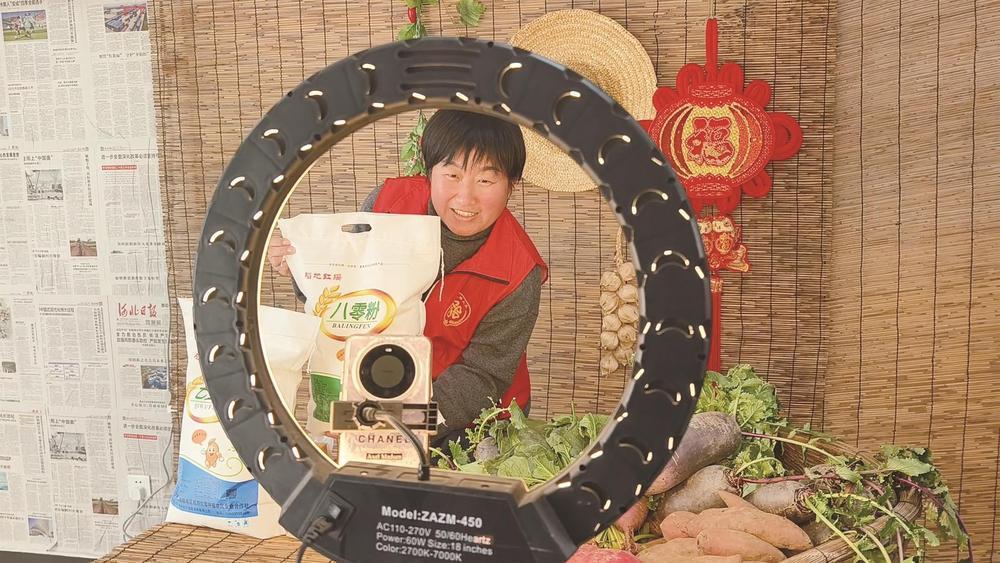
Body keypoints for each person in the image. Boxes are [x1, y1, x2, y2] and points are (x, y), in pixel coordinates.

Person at [268, 110, 547, 446]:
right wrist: (301, 268)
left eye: (486, 180)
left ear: (512, 185)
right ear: (430, 172)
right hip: (381, 394)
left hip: (473, 420)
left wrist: (398, 422)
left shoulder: (518, 272)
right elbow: (348, 292)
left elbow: (483, 375)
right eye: (452, 174)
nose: (465, 198)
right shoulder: (389, 205)